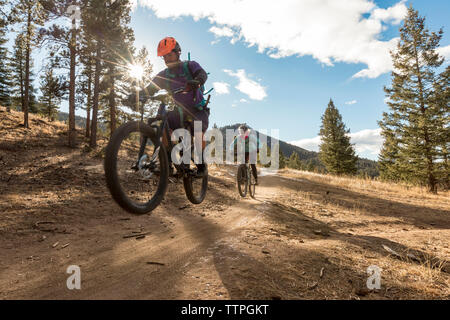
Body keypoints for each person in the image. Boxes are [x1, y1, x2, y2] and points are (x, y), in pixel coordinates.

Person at [126, 37, 209, 176]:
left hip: (197, 110)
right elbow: (150, 88)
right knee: (163, 124)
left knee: (198, 130)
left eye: (169, 55)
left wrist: (197, 81)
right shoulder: (165, 75)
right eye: (164, 57)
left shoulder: (190, 66)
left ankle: (202, 167)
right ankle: (167, 164)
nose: (167, 59)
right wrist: (137, 96)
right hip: (180, 111)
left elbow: (202, 74)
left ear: (178, 52)